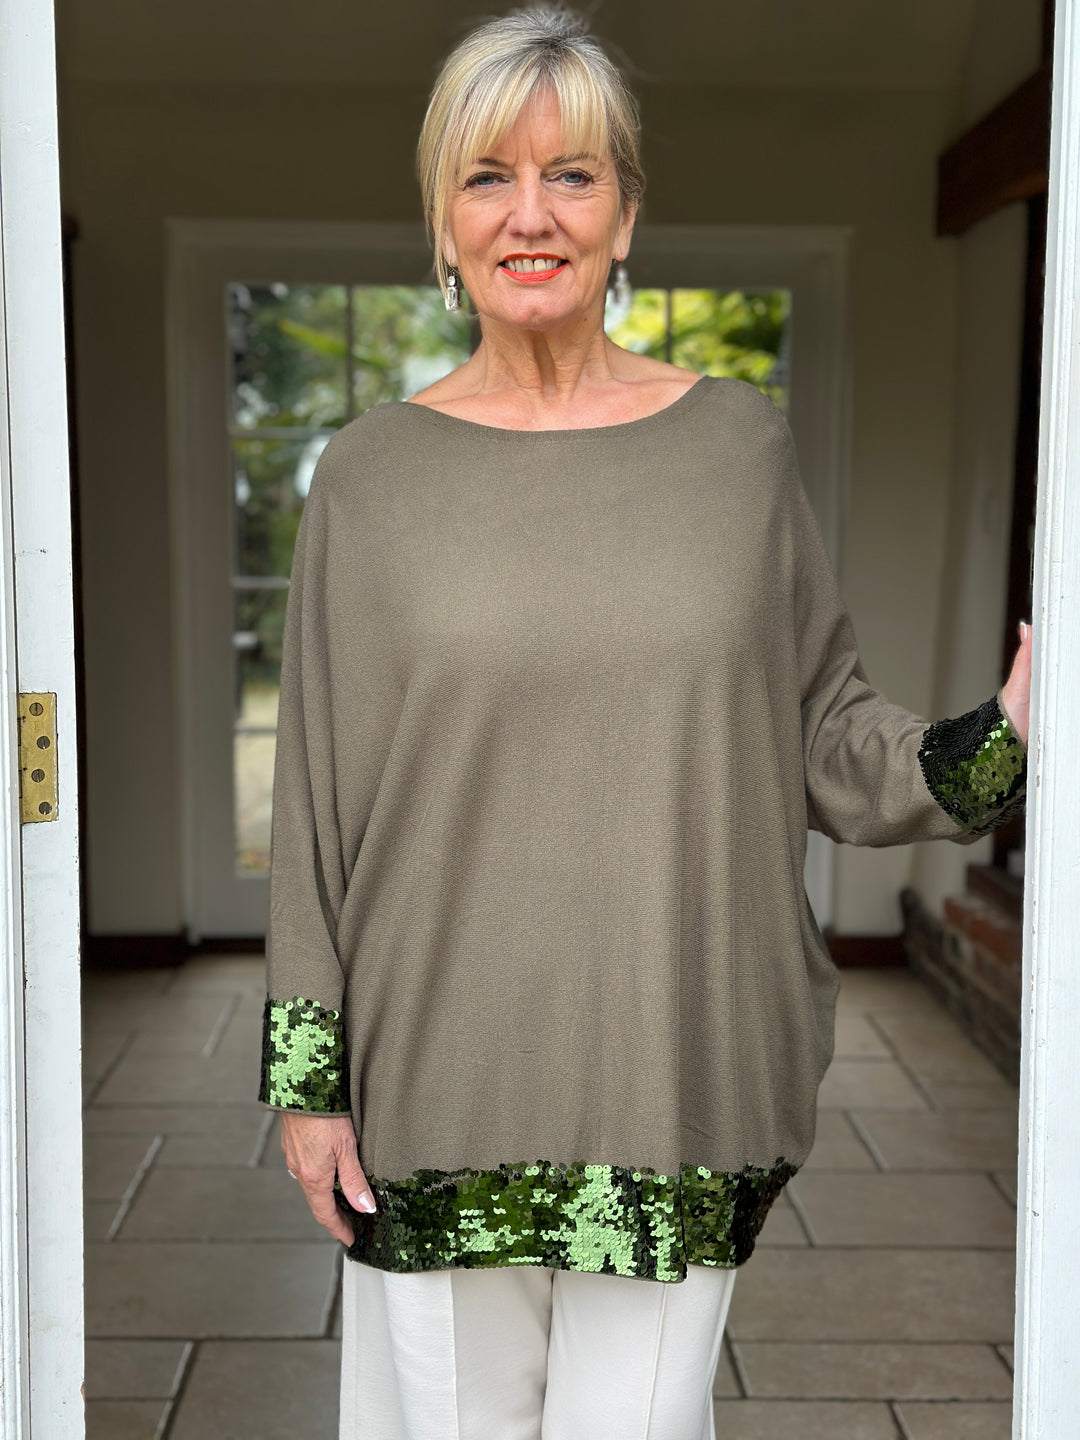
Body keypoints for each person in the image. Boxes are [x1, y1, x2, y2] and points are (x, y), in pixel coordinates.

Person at [258, 7, 1033, 1437]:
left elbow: (821, 726)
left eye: (574, 175)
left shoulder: (736, 447)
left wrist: (1005, 738)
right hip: (435, 1083)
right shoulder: (368, 479)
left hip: (673, 1068)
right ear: (442, 220)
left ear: (627, 216)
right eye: (488, 176)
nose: (531, 214)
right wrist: (309, 1087)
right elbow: (313, 804)